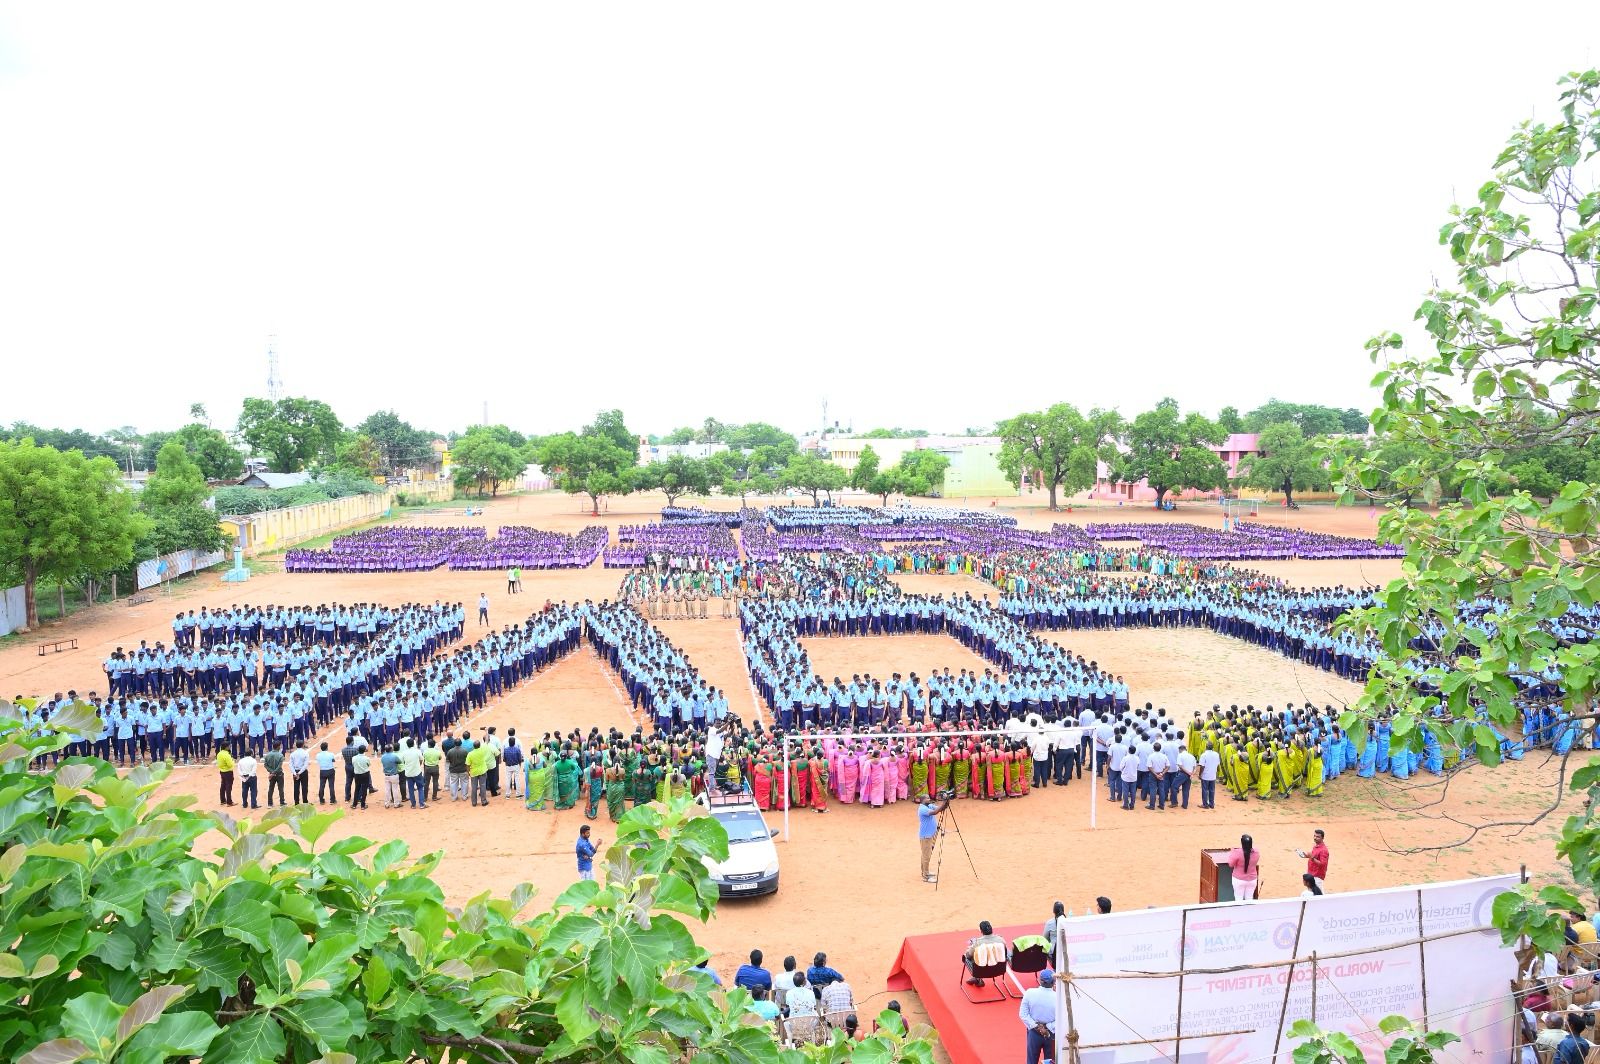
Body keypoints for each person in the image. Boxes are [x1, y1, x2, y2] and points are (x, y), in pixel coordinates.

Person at [1019, 968, 1058, 1064]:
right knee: (1050, 1062)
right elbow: (1061, 1019)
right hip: (1051, 1034)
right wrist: (1047, 1028)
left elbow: (1023, 1014)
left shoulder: (1029, 993)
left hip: (1034, 1032)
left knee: (1031, 1061)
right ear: (1053, 982)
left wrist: (1037, 1027)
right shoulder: (1058, 997)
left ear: (1040, 980)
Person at [963, 920, 1009, 986]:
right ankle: (977, 979)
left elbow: (968, 956)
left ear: (981, 931)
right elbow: (1005, 952)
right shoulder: (1001, 940)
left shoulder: (978, 943)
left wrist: (970, 948)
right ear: (991, 929)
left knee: (972, 956)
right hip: (999, 969)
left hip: (981, 971)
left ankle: (977, 978)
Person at [918, 794, 949, 883]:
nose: (929, 799)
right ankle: (925, 877)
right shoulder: (922, 809)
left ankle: (925, 872)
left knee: (926, 854)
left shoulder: (929, 805)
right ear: (923, 800)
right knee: (926, 856)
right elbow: (935, 812)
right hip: (926, 836)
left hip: (930, 834)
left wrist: (946, 801)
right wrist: (944, 802)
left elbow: (940, 808)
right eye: (927, 798)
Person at [1228, 834, 1261, 900]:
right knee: (1249, 899)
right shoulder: (1256, 852)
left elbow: (1230, 864)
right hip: (1252, 879)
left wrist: (1232, 852)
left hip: (1239, 880)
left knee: (1238, 899)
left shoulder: (1237, 852)